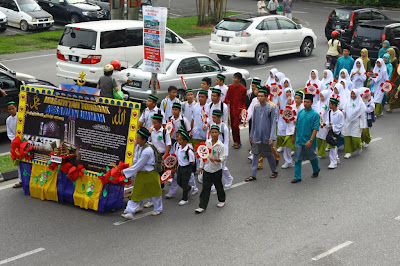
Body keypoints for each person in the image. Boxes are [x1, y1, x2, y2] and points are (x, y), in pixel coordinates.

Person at [121, 127, 163, 219]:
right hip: (142, 174)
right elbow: (135, 161)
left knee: (155, 193)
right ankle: (129, 212)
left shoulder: (147, 151)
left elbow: (138, 165)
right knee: (136, 192)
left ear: (144, 140)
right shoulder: (139, 147)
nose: (137, 140)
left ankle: (158, 209)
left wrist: (124, 172)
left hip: (150, 174)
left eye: (139, 138)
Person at [245, 87, 278, 182]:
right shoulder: (256, 107)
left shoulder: (271, 108)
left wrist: (272, 137)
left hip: (266, 136)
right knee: (255, 154)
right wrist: (252, 135)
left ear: (266, 97)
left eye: (261, 96)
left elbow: (273, 124)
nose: (259, 98)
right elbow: (254, 122)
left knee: (269, 154)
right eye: (258, 96)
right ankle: (253, 174)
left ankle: (274, 170)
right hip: (257, 136)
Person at [195, 125, 226, 214]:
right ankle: (202, 206)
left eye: (216, 132)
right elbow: (203, 155)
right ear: (210, 133)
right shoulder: (207, 142)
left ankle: (222, 200)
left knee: (218, 185)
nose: (214, 134)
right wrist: (201, 167)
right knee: (205, 188)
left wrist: (216, 159)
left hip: (216, 170)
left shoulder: (221, 146)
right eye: (212, 132)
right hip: (207, 169)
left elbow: (223, 158)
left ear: (218, 133)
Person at [291, 94, 320, 183]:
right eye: (305, 102)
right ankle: (297, 177)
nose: (306, 104)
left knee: (312, 157)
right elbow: (297, 125)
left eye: (308, 102)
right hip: (299, 140)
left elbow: (315, 129)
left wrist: (310, 140)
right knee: (297, 158)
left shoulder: (315, 114)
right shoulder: (300, 112)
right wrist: (294, 136)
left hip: (309, 141)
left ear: (311, 103)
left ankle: (316, 169)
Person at [209, 109, 233, 188]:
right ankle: (213, 183)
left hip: (222, 150)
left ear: (219, 117)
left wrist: (225, 153)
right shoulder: (212, 125)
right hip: (214, 148)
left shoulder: (224, 127)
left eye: (215, 117)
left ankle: (229, 179)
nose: (213, 119)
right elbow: (210, 138)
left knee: (221, 167)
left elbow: (226, 141)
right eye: (212, 117)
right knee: (213, 166)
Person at [191, 90, 210, 183]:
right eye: (199, 97)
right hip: (196, 133)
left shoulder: (209, 107)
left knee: (203, 153)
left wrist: (206, 125)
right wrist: (191, 130)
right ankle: (198, 169)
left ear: (206, 98)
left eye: (202, 97)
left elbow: (210, 119)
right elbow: (193, 119)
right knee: (196, 152)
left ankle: (202, 170)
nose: (200, 99)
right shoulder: (195, 107)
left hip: (204, 134)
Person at [224, 72, 247, 149]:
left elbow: (244, 100)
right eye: (233, 78)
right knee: (232, 126)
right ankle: (235, 141)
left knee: (235, 126)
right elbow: (227, 97)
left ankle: (238, 141)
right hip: (232, 109)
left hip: (239, 110)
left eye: (235, 78)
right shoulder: (231, 87)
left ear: (239, 79)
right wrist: (224, 105)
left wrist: (243, 110)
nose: (234, 79)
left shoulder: (243, 89)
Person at [282, 91, 304, 169]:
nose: (296, 100)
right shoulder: (290, 107)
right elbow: (286, 116)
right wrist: (287, 120)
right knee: (287, 145)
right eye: (295, 98)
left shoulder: (303, 108)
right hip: (290, 129)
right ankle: (288, 161)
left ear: (301, 99)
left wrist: (298, 121)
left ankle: (297, 160)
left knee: (297, 146)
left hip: (299, 130)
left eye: (298, 98)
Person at [174, 127, 196, 206]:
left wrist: (188, 170)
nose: (178, 141)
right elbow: (177, 157)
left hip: (186, 168)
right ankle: (188, 188)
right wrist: (176, 166)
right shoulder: (179, 148)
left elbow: (192, 162)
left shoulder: (189, 151)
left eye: (180, 140)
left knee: (184, 182)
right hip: (180, 167)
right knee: (179, 181)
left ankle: (185, 198)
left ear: (185, 141)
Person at [342, 89, 366, 159]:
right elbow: (344, 110)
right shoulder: (347, 101)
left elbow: (363, 115)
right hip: (348, 122)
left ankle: (359, 146)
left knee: (356, 138)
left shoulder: (361, 103)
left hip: (356, 123)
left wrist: (363, 125)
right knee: (347, 137)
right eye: (351, 94)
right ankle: (348, 152)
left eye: (354, 94)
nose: (352, 95)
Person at [6, 101, 22, 188]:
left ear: (16, 108)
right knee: (18, 162)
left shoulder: (21, 116)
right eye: (10, 109)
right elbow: (9, 133)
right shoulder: (8, 120)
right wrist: (14, 141)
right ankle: (20, 180)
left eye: (13, 108)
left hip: (23, 142)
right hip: (15, 144)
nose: (12, 110)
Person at [276, 79, 294, 153]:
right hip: (281, 117)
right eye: (287, 92)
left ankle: (291, 147)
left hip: (290, 118)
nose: (288, 93)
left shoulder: (293, 99)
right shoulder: (281, 96)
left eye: (289, 92)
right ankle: (281, 145)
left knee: (289, 132)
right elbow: (279, 105)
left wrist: (289, 101)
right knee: (280, 130)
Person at [327, 97, 344, 169]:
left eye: (330, 104)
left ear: (334, 105)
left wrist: (333, 127)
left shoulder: (340, 114)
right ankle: (336, 158)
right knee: (333, 146)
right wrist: (326, 124)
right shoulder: (330, 112)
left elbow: (341, 124)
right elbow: (329, 121)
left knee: (332, 147)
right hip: (331, 131)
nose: (329, 105)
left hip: (336, 132)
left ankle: (333, 162)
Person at [316, 90, 330, 159]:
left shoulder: (328, 104)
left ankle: (322, 153)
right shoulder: (318, 103)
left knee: (323, 138)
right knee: (318, 138)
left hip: (324, 123)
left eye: (322, 96)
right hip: (318, 123)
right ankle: (319, 151)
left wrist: (326, 123)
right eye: (320, 96)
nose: (321, 98)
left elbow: (328, 114)